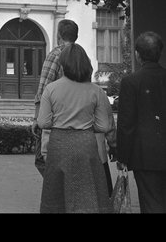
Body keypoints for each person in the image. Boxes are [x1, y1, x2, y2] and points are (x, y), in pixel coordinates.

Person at [31, 18, 114, 194]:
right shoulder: (83, 58)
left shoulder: (54, 57)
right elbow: (104, 125)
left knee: (43, 161)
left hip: (59, 126)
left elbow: (43, 91)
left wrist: (36, 119)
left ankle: (62, 187)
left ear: (58, 35)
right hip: (85, 131)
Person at [117, 30, 166, 213]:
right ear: (159, 52)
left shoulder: (131, 82)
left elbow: (126, 124)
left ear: (137, 54)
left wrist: (122, 157)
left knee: (152, 203)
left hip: (145, 156)